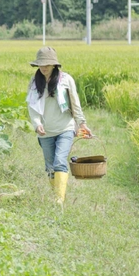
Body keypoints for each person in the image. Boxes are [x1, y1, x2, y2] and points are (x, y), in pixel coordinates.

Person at [26, 47, 91, 205]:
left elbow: (75, 103)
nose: (44, 67)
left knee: (59, 161)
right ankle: (56, 195)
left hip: (65, 128)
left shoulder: (66, 80)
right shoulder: (35, 83)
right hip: (45, 132)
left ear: (54, 64)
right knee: (50, 167)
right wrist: (37, 124)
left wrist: (81, 123)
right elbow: (32, 108)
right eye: (41, 64)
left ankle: (58, 201)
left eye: (47, 63)